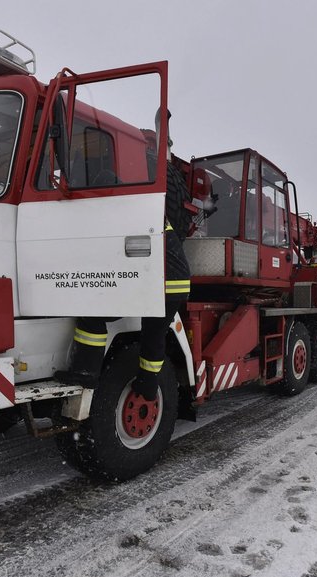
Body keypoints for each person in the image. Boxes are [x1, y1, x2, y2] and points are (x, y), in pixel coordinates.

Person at [57, 109, 191, 401]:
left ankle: (86, 373)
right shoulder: (144, 206)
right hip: (175, 283)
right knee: (153, 336)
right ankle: (147, 385)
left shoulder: (120, 209)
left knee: (93, 316)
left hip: (160, 282)